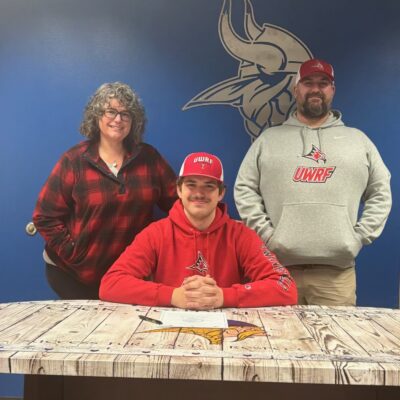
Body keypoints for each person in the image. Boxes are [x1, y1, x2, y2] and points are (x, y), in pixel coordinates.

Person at [234, 59, 392, 306]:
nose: (315, 89)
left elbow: (381, 190)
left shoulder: (358, 141)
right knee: (280, 342)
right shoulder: (269, 140)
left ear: (332, 90)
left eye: (323, 83)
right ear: (296, 88)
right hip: (278, 273)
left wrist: (359, 236)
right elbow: (244, 188)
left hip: (337, 277)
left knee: (337, 343)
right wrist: (267, 234)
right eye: (308, 82)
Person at [33, 82, 177, 299]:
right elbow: (44, 217)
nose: (118, 119)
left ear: (134, 121)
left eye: (125, 114)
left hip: (127, 276)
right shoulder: (74, 160)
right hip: (72, 275)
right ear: (96, 115)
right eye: (110, 111)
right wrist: (76, 253)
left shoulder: (149, 158)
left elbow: (178, 204)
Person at [99, 152, 297, 308]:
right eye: (191, 185)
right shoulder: (156, 233)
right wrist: (173, 296)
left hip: (228, 337)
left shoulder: (241, 235)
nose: (199, 193)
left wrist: (224, 296)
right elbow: (111, 284)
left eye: (209, 186)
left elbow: (286, 287)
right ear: (179, 190)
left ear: (221, 193)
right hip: (165, 334)